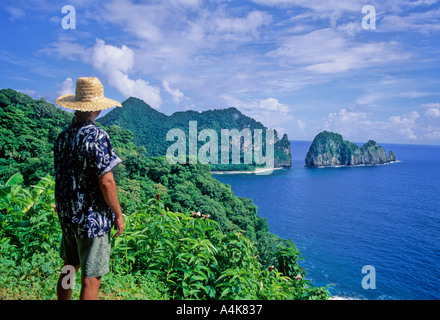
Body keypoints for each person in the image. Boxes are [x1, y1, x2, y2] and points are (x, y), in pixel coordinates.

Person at [53, 77, 125, 300]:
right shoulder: (97, 136)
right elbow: (106, 181)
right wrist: (118, 215)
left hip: (67, 215)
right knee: (91, 280)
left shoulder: (63, 136)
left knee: (69, 267)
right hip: (91, 219)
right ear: (97, 108)